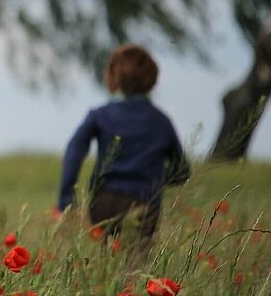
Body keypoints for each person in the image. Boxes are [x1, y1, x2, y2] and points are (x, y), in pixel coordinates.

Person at [56, 44, 190, 243]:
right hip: (145, 203)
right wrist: (154, 180)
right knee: (136, 265)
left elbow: (74, 151)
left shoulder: (100, 116)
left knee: (108, 258)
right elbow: (181, 171)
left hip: (104, 201)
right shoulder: (161, 121)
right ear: (152, 80)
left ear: (112, 77)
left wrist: (66, 199)